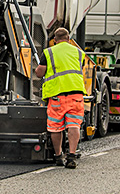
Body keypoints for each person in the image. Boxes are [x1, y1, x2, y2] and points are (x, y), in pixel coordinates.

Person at [34, 27, 85, 169]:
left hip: (57, 96)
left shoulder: (49, 52)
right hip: (76, 94)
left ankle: (58, 156)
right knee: (74, 125)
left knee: (55, 128)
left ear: (54, 40)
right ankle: (72, 156)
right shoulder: (79, 52)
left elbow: (39, 73)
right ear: (69, 39)